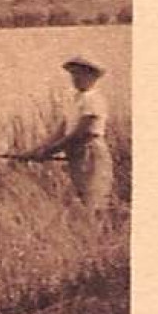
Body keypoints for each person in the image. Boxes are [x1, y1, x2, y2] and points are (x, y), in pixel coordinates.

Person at [19, 55, 113, 214]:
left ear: (93, 76)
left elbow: (81, 134)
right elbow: (61, 130)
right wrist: (36, 150)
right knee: (81, 196)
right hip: (76, 152)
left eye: (80, 74)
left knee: (93, 198)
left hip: (91, 152)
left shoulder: (94, 99)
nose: (75, 78)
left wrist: (48, 152)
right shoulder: (74, 98)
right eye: (73, 74)